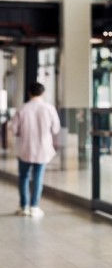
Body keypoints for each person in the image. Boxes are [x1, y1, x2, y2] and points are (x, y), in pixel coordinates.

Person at [12, 82, 60, 218]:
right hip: (42, 149)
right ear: (43, 93)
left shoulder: (22, 109)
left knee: (23, 177)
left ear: (29, 93)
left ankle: (23, 206)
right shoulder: (49, 108)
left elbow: (14, 129)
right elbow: (56, 129)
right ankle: (34, 206)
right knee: (38, 178)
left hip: (25, 149)